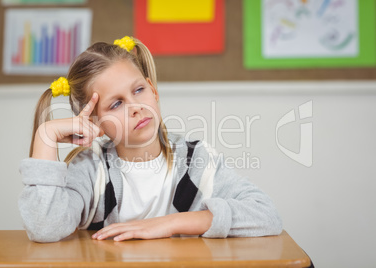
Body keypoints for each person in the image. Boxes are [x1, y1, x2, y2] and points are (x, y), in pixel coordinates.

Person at [19, 36, 282, 243]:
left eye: (139, 90)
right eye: (116, 104)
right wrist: (45, 135)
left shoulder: (195, 160)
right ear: (95, 122)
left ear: (153, 90)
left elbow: (266, 215)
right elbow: (45, 227)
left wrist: (168, 224)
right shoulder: (90, 170)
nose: (135, 107)